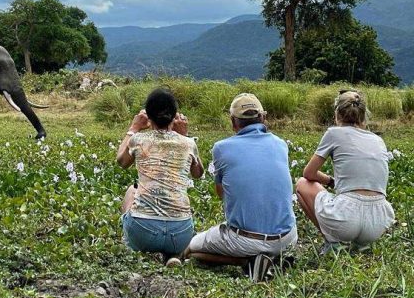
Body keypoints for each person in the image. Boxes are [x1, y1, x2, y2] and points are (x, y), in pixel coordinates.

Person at [183, 93, 297, 282]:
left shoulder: (221, 148)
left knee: (192, 248)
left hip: (246, 240)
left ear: (233, 122)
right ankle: (270, 258)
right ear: (263, 118)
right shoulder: (281, 144)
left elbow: (222, 193)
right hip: (287, 238)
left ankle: (248, 262)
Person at [295, 90, 395, 255]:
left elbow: (309, 173)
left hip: (346, 218)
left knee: (302, 184)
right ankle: (360, 245)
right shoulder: (378, 140)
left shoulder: (334, 133)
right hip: (378, 221)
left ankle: (333, 242)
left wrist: (330, 181)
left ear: (337, 115)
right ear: (363, 117)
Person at [116, 87, 204, 267]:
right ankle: (174, 255)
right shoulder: (188, 144)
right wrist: (185, 136)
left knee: (131, 191)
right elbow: (198, 173)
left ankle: (135, 245)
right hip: (180, 234)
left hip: (143, 232)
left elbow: (122, 161)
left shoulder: (138, 140)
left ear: (148, 116)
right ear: (174, 117)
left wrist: (133, 128)